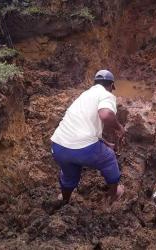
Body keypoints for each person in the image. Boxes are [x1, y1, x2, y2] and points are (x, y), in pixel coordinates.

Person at [51, 70, 125, 204]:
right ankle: (114, 194)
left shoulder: (84, 95)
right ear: (112, 85)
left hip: (58, 146)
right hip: (83, 150)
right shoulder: (106, 95)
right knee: (109, 159)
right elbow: (106, 115)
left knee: (69, 175)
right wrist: (119, 128)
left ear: (95, 83)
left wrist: (106, 144)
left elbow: (83, 129)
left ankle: (65, 199)